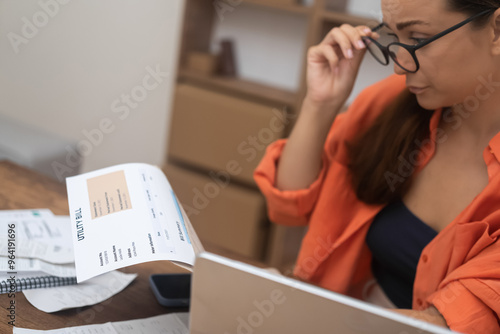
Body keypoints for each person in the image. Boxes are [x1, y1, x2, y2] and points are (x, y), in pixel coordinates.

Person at [253, 0, 500, 333]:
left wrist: (309, 313)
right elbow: (288, 207)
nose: (399, 66)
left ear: (496, 30)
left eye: (417, 38)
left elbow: (456, 321)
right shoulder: (391, 103)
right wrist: (320, 104)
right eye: (393, 35)